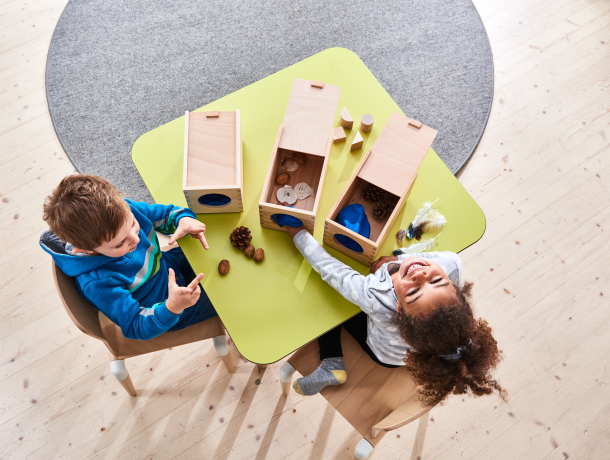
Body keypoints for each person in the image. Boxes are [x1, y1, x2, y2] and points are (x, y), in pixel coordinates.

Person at [285, 226, 506, 407]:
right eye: (438, 281)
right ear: (457, 290)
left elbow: (331, 270)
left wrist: (298, 233)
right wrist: (398, 259)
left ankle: (332, 360)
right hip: (399, 360)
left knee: (329, 298)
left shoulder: (375, 296)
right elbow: (425, 260)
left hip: (379, 351)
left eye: (413, 292)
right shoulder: (451, 265)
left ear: (398, 310)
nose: (421, 274)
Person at [40, 174, 217, 340]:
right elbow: (135, 325)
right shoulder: (97, 282)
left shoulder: (121, 213)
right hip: (167, 309)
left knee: (219, 251)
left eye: (133, 224)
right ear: (85, 250)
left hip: (169, 266)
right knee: (232, 299)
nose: (136, 238)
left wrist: (182, 219)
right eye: (119, 244)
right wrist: (172, 307)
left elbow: (162, 214)